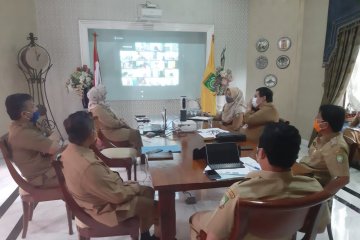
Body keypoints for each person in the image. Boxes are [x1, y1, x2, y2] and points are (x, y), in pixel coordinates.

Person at [189, 122, 328, 240]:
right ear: (296, 155)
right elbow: (320, 227)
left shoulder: (238, 192)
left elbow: (214, 238)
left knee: (196, 218)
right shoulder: (314, 188)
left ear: (261, 153)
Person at [61, 111, 159, 240]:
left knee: (148, 191)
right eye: (95, 129)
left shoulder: (70, 150)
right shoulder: (88, 166)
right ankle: (160, 236)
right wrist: (133, 187)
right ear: (91, 133)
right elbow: (117, 196)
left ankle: (145, 235)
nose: (97, 131)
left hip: (95, 198)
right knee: (157, 207)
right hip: (103, 210)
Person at [5, 93, 62, 188]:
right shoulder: (22, 133)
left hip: (49, 169)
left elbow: (53, 135)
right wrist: (53, 139)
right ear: (24, 114)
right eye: (33, 106)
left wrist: (52, 139)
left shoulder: (29, 124)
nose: (36, 109)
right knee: (79, 173)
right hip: (43, 178)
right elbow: (55, 147)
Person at [298, 104, 349, 186]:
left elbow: (343, 179)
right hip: (304, 170)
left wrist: (322, 195)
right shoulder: (322, 136)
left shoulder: (337, 148)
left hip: (312, 181)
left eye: (317, 118)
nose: (315, 120)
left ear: (325, 125)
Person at [87, 85, 143, 156]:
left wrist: (121, 122)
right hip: (111, 133)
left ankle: (138, 155)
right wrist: (121, 123)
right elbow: (112, 123)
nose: (105, 96)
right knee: (136, 134)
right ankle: (140, 156)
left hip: (112, 131)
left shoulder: (99, 106)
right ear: (98, 96)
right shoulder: (97, 109)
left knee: (135, 132)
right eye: (103, 95)